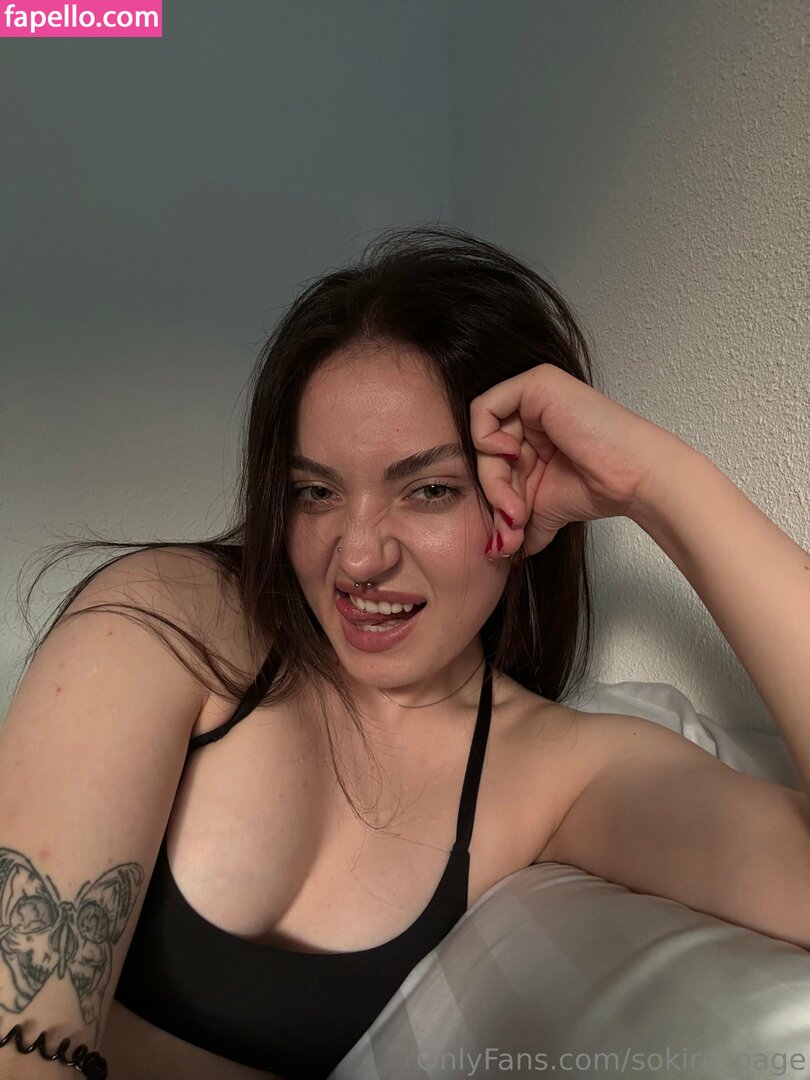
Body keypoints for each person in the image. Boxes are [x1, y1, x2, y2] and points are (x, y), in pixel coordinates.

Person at [0, 225, 807, 1080]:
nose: (356, 557)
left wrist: (659, 484)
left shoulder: (559, 771)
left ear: (524, 490)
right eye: (316, 492)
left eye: (428, 490)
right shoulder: (172, 618)